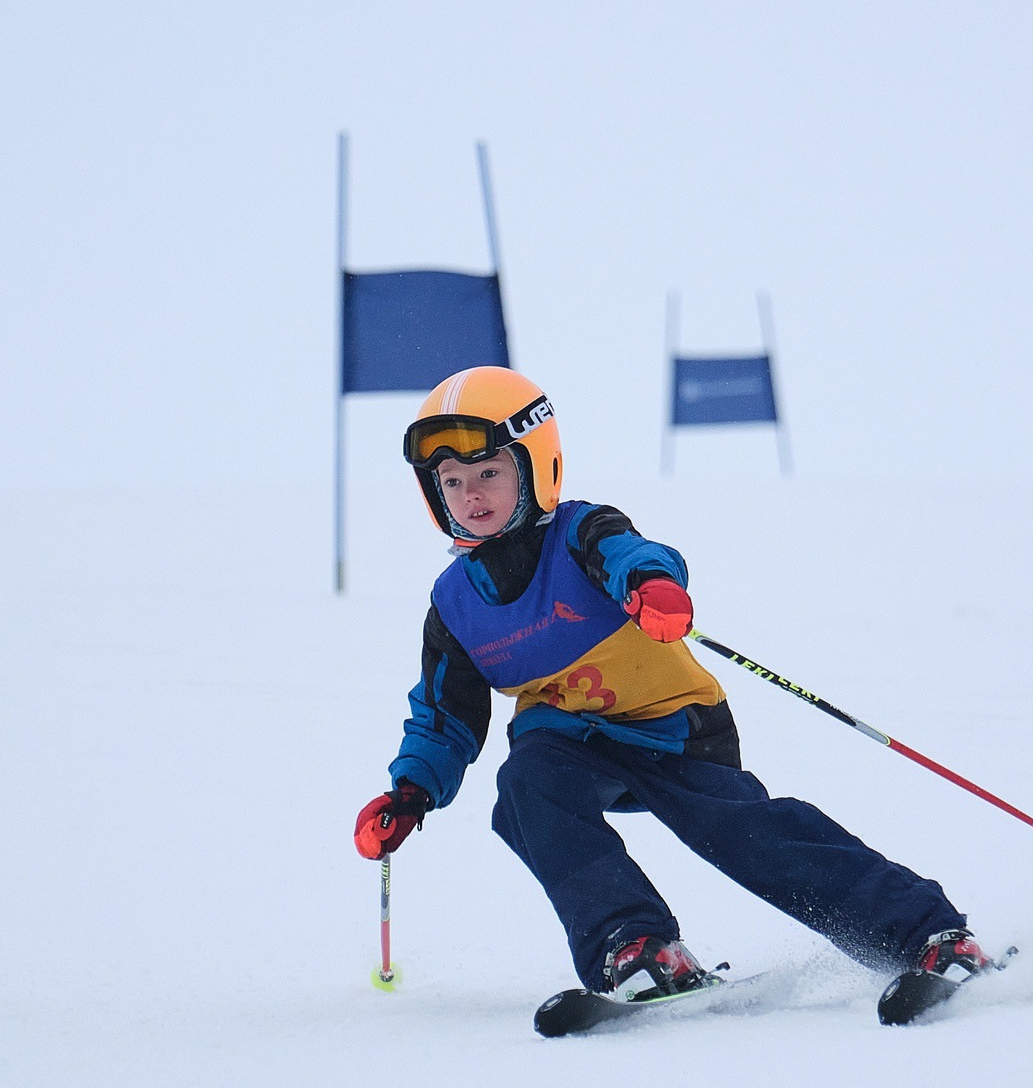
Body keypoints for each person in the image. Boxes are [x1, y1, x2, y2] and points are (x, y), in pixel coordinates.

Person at [352, 366, 994, 1025]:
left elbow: (635, 554)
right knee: (526, 789)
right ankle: (633, 947)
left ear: (536, 463)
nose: (471, 495)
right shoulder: (456, 604)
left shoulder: (579, 534)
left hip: (674, 728)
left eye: (488, 471)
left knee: (746, 836)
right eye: (451, 483)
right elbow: (444, 716)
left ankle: (927, 935)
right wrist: (412, 792)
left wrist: (654, 588)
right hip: (568, 741)